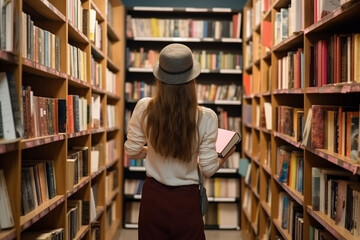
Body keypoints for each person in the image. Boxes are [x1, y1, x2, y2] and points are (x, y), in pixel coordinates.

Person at [124, 43, 236, 240]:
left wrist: (151, 151)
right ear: (192, 79)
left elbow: (132, 151)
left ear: (160, 78)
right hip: (186, 200)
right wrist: (226, 154)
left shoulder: (144, 108)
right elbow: (209, 169)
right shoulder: (206, 117)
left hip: (153, 198)